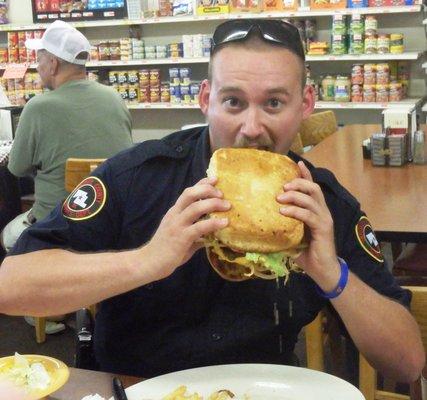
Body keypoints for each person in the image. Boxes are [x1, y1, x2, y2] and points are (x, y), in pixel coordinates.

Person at [0, 20, 424, 381]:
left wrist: (332, 273)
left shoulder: (323, 205)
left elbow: (407, 363)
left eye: (274, 102)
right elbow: (11, 287)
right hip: (139, 383)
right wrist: (149, 260)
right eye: (233, 102)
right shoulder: (137, 176)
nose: (251, 127)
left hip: (265, 385)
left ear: (305, 105)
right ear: (206, 99)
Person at [0, 20, 133, 333]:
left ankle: (44, 309)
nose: (37, 65)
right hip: (111, 223)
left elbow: (16, 168)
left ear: (54, 62)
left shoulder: (38, 107)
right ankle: (92, 299)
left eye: (40, 58)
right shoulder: (114, 98)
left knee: (9, 234)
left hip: (56, 226)